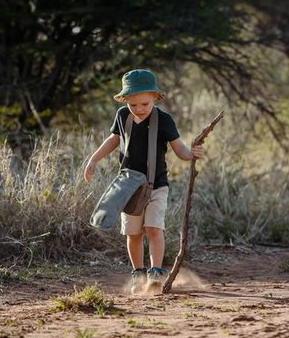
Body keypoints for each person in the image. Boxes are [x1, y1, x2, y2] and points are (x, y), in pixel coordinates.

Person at [84, 69, 204, 294]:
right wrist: (93, 159)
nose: (139, 109)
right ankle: (138, 274)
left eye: (145, 104)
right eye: (133, 104)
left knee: (154, 228)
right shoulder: (122, 116)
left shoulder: (164, 120)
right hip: (128, 186)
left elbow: (180, 150)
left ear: (155, 98)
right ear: (124, 100)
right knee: (133, 232)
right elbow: (113, 140)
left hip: (157, 185)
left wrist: (193, 153)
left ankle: (156, 273)